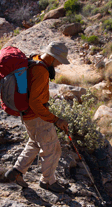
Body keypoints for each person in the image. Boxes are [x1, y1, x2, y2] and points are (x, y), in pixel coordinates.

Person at [5, 41, 69, 192]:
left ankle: (17, 171)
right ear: (53, 57)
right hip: (37, 116)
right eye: (59, 60)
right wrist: (55, 119)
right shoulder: (41, 72)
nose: (59, 64)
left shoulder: (34, 59)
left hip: (27, 116)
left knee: (34, 142)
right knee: (53, 149)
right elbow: (35, 102)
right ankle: (48, 182)